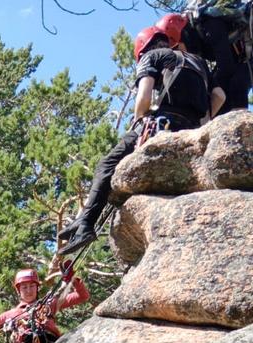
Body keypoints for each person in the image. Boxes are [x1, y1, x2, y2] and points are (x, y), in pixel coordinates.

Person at [57, 25, 226, 256]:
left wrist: (139, 121)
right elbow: (219, 96)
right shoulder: (199, 62)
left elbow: (144, 99)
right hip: (192, 129)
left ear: (142, 51)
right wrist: (202, 125)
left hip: (161, 124)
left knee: (107, 164)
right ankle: (89, 223)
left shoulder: (152, 56)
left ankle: (85, 223)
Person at [157, 6, 252, 114]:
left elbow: (226, 67)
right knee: (219, 90)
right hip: (239, 56)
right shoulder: (197, 39)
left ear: (183, 35)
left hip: (246, 54)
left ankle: (243, 125)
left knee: (237, 83)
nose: (179, 53)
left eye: (177, 47)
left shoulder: (211, 26)